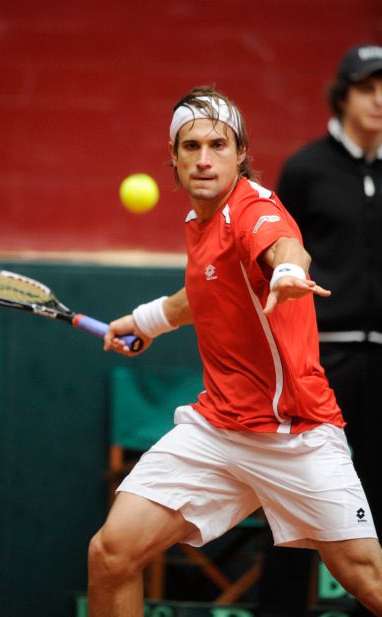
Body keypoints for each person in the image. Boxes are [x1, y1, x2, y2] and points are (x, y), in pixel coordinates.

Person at [87, 85, 382, 617]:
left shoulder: (253, 210)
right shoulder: (199, 224)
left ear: (241, 154)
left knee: (368, 580)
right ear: (173, 160)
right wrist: (147, 321)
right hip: (218, 430)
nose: (204, 159)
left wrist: (290, 271)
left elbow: (284, 247)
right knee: (112, 553)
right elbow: (201, 291)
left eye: (218, 145)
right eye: (191, 146)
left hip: (295, 433)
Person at [258, 43, 382, 617]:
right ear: (344, 95)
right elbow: (277, 254)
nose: (379, 99)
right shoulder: (306, 168)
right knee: (300, 502)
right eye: (367, 87)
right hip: (320, 361)